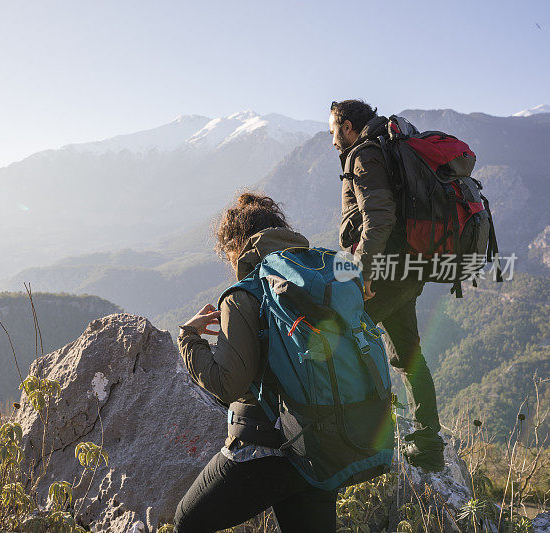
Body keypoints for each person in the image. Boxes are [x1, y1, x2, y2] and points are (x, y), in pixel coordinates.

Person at [173, 192, 337, 533]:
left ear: (236, 248)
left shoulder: (245, 294)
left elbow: (226, 384)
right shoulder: (317, 276)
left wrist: (189, 338)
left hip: (267, 448)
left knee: (188, 522)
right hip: (323, 445)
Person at [329, 99, 445, 471]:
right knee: (408, 355)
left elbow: (378, 219)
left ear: (347, 127)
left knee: (339, 339)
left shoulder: (365, 155)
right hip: (408, 269)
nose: (332, 140)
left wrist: (362, 276)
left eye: (333, 130)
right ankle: (428, 444)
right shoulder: (388, 146)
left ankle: (353, 438)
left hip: (381, 273)